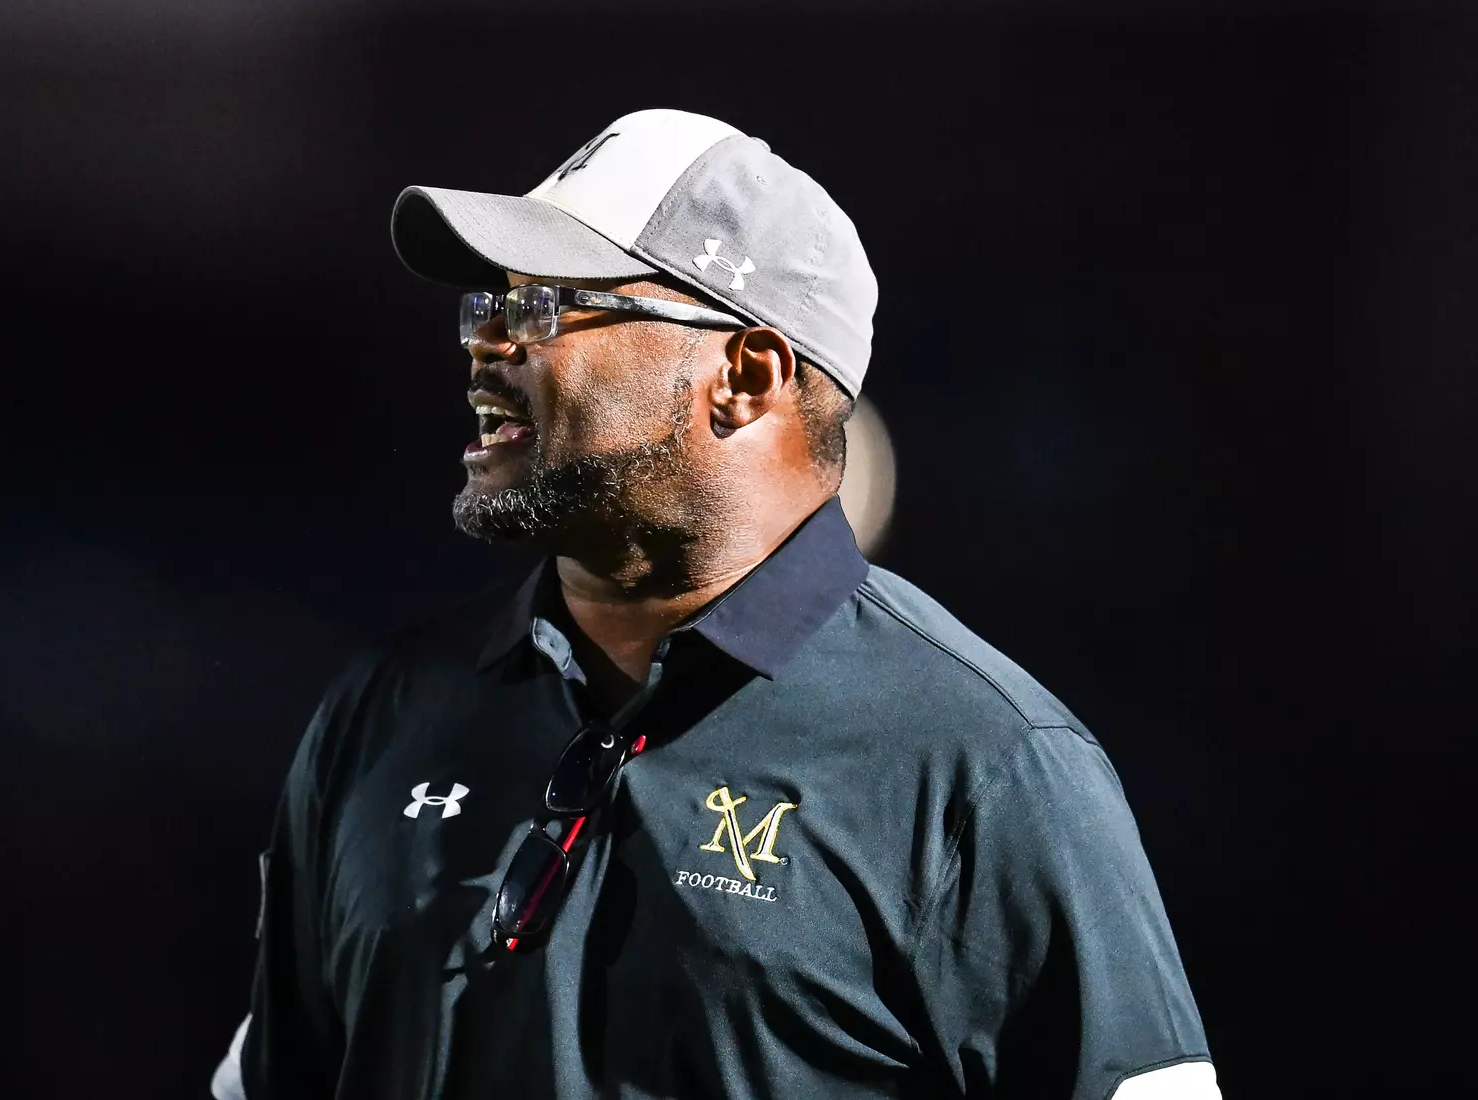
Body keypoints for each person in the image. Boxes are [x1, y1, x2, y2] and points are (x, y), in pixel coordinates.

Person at [214, 108, 1218, 1099]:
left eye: (546, 307)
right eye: (486, 308)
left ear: (743, 375)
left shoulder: (983, 763)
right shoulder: (386, 709)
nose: (488, 350)